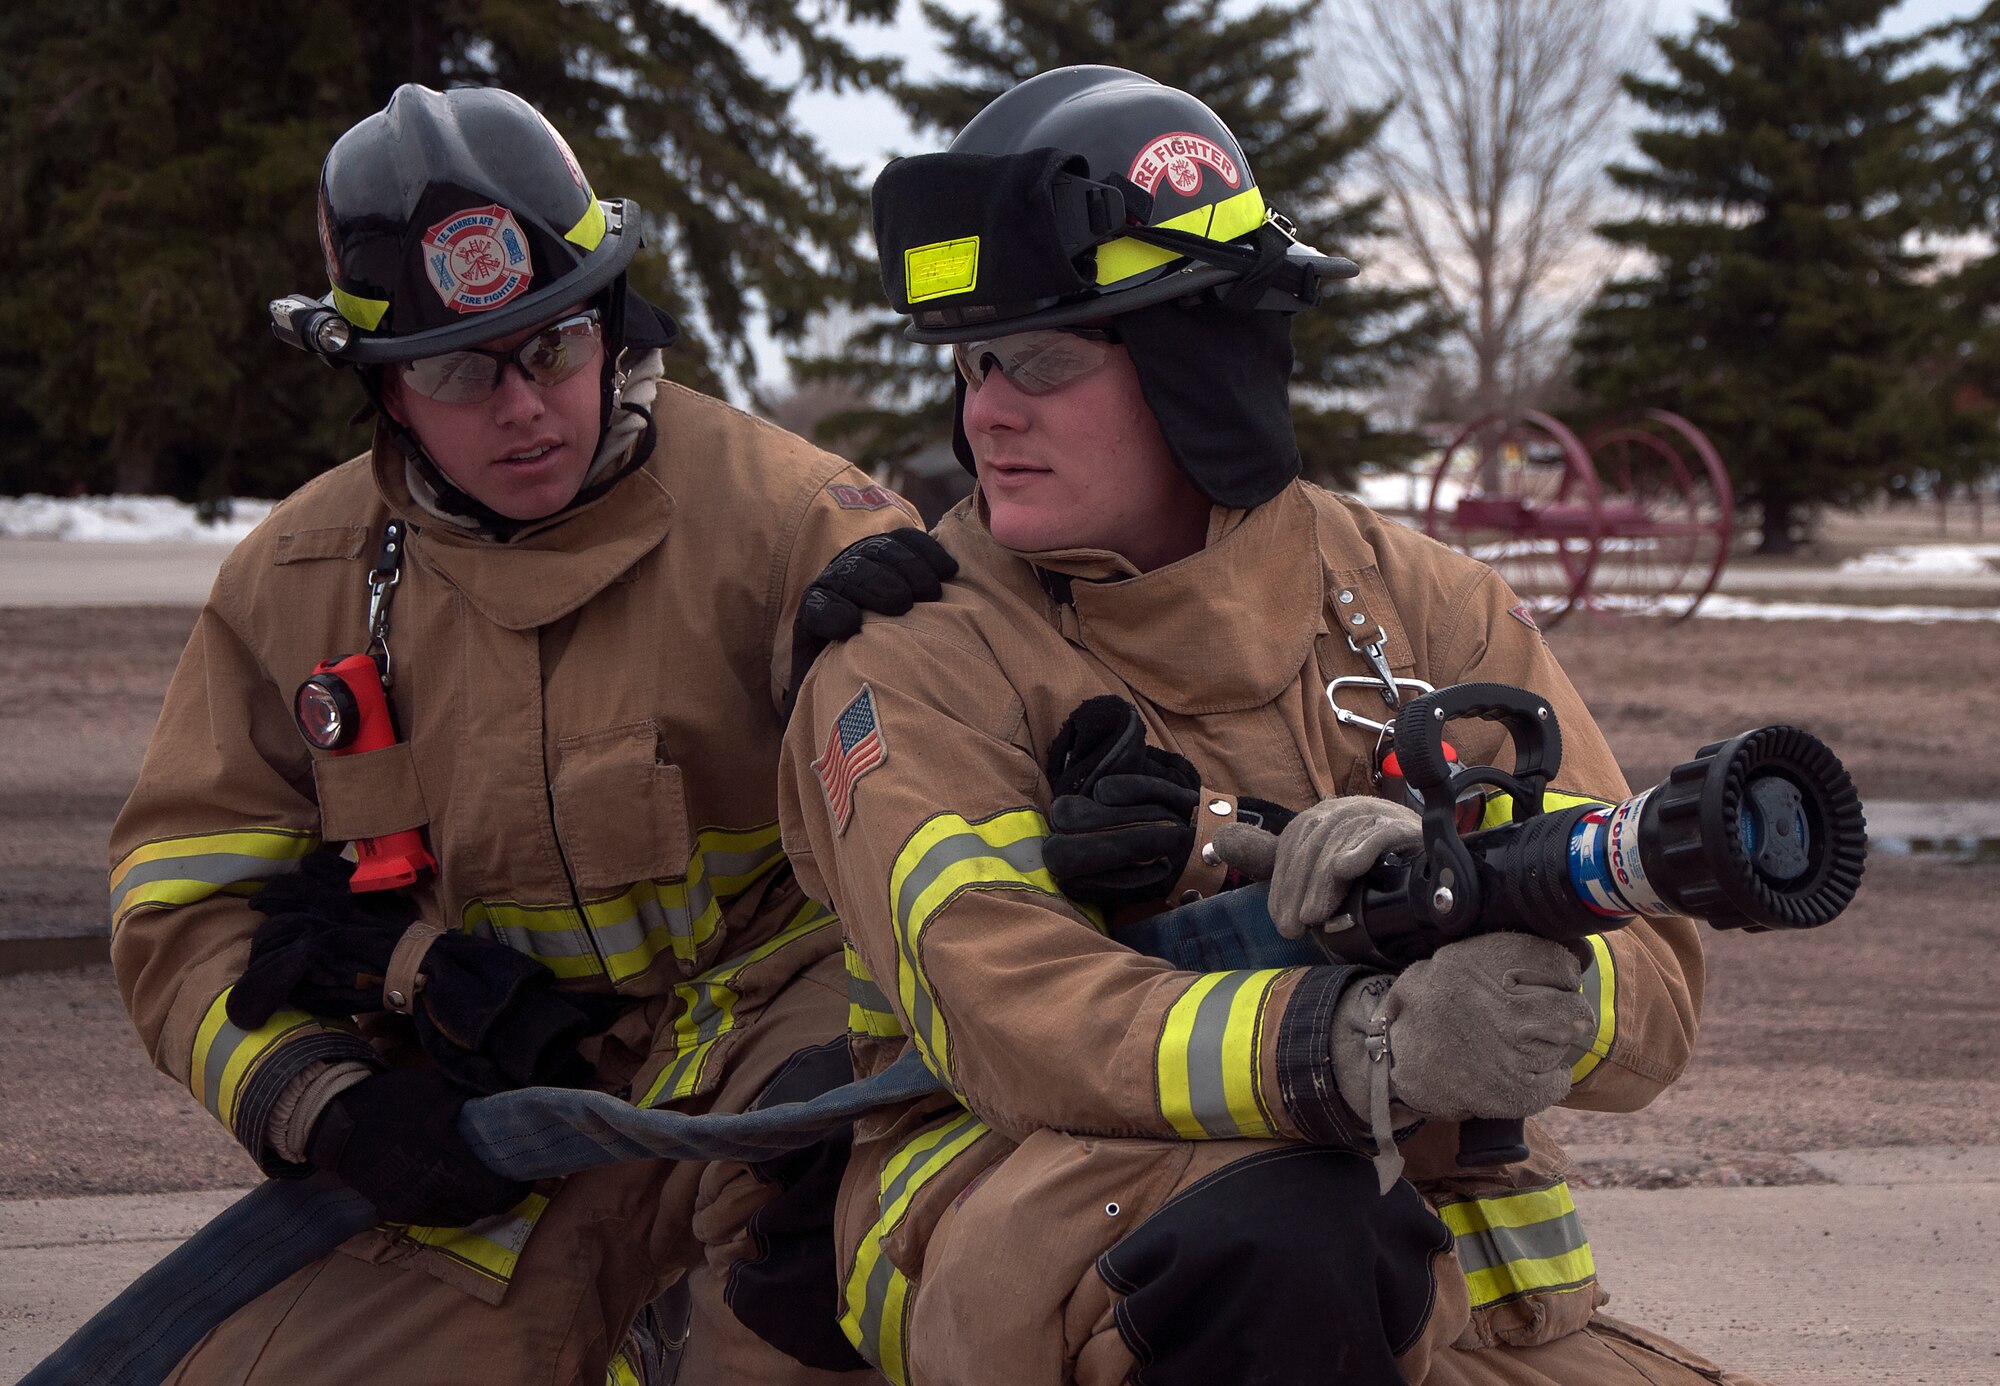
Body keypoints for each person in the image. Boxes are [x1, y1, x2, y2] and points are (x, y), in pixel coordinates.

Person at [779, 66, 1759, 1386]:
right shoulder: (912, 651)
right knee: (1281, 1241)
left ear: (1199, 358)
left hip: (1462, 1301)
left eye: (1040, 360)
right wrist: (1365, 1038)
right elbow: (1007, 1005)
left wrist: (1508, 954)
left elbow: (1653, 989)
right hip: (1068, 1261)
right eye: (971, 362)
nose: (984, 410)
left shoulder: (1426, 608)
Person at [108, 83, 947, 1383]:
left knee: (795, 1307)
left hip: (784, 1050)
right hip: (497, 1108)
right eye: (458, 370)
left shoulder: (796, 520)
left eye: (552, 343)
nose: (523, 406)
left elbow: (992, 790)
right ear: (385, 391)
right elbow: (182, 906)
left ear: (610, 322)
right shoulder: (298, 581)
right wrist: (334, 1099)